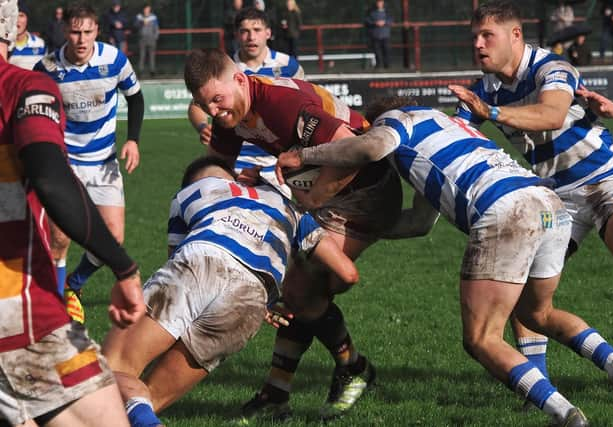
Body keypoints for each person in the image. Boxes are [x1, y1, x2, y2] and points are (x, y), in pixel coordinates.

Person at [276, 96, 613, 426]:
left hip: (507, 209)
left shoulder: (398, 120)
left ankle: (565, 415)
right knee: (537, 314)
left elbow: (371, 148)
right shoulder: (449, 127)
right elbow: (419, 223)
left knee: (481, 338)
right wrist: (357, 229)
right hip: (549, 205)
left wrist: (306, 156)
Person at [184, 48, 402, 421]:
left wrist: (307, 200)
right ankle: (278, 392)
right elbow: (219, 172)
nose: (217, 113)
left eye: (218, 101)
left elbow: (353, 152)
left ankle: (350, 367)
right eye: (208, 107)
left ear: (239, 79)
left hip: (367, 189)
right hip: (326, 187)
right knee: (297, 290)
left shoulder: (281, 103)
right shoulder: (230, 114)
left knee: (301, 288)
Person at [449, 0, 613, 397]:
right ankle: (539, 391)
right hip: (554, 198)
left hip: (606, 179)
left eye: (488, 36)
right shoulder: (484, 89)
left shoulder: (551, 68)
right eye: (474, 38)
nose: (478, 45)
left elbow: (552, 114)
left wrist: (494, 114)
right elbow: (454, 136)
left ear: (515, 35)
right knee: (523, 301)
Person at [101, 155, 359, 426]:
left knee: (109, 373)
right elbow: (348, 273)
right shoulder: (290, 208)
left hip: (201, 261)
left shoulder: (188, 193)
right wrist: (282, 299)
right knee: (146, 402)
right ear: (233, 177)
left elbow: (176, 262)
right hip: (252, 298)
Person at [0, 1, 145, 425]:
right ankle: (69, 292)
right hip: (18, 312)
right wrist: (125, 270)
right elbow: (50, 183)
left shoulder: (111, 62)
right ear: (10, 27)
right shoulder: (27, 84)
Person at [34, 3, 144, 323]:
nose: (81, 39)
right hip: (64, 162)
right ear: (65, 31)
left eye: (87, 31)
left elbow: (135, 96)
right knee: (60, 239)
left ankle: (74, 284)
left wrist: (133, 139)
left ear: (97, 30)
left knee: (114, 238)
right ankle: (56, 306)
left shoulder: (113, 60)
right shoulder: (48, 68)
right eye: (74, 32)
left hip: (105, 162)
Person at [189, 6, 304, 193]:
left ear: (268, 33)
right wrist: (203, 127)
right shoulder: (225, 67)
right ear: (236, 35)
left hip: (278, 162)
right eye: (245, 31)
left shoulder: (288, 66)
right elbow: (196, 106)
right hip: (238, 162)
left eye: (257, 30)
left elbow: (302, 108)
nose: (251, 37)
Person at [8, 1, 46, 70]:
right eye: (14, 16)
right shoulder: (4, 45)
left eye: (21, 15)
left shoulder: (39, 44)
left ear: (27, 19)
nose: (17, 20)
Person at [364, 0, 392, 69]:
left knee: (386, 50)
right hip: (375, 35)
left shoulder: (387, 12)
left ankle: (387, 65)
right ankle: (378, 65)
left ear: (383, 3)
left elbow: (391, 20)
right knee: (376, 51)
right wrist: (375, 23)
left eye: (381, 3)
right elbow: (367, 20)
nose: (379, 4)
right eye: (378, 3)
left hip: (385, 35)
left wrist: (384, 22)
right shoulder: (371, 12)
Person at [135, 3, 159, 76]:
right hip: (142, 39)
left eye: (148, 9)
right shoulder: (139, 17)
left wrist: (155, 37)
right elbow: (135, 26)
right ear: (143, 9)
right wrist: (141, 23)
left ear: (150, 9)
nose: (146, 10)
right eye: (145, 9)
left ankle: (152, 71)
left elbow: (156, 28)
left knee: (152, 56)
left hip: (151, 39)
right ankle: (140, 71)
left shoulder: (153, 17)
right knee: (142, 56)